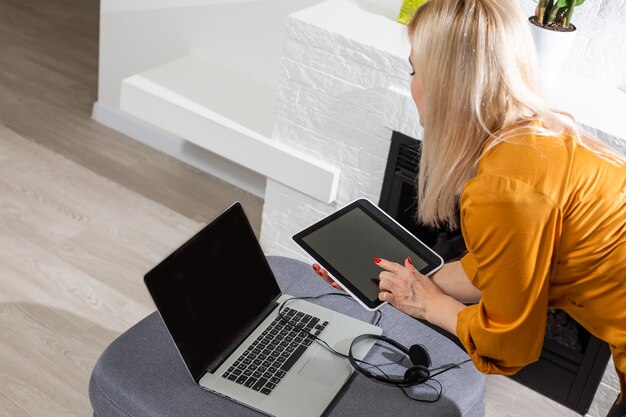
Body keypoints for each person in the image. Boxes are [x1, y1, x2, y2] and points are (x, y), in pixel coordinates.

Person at [312, 0, 626, 415]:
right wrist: (406, 279)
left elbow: (509, 344)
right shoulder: (537, 138)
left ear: (445, 85)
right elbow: (497, 270)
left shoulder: (502, 189)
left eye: (415, 70)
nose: (413, 86)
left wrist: (428, 304)